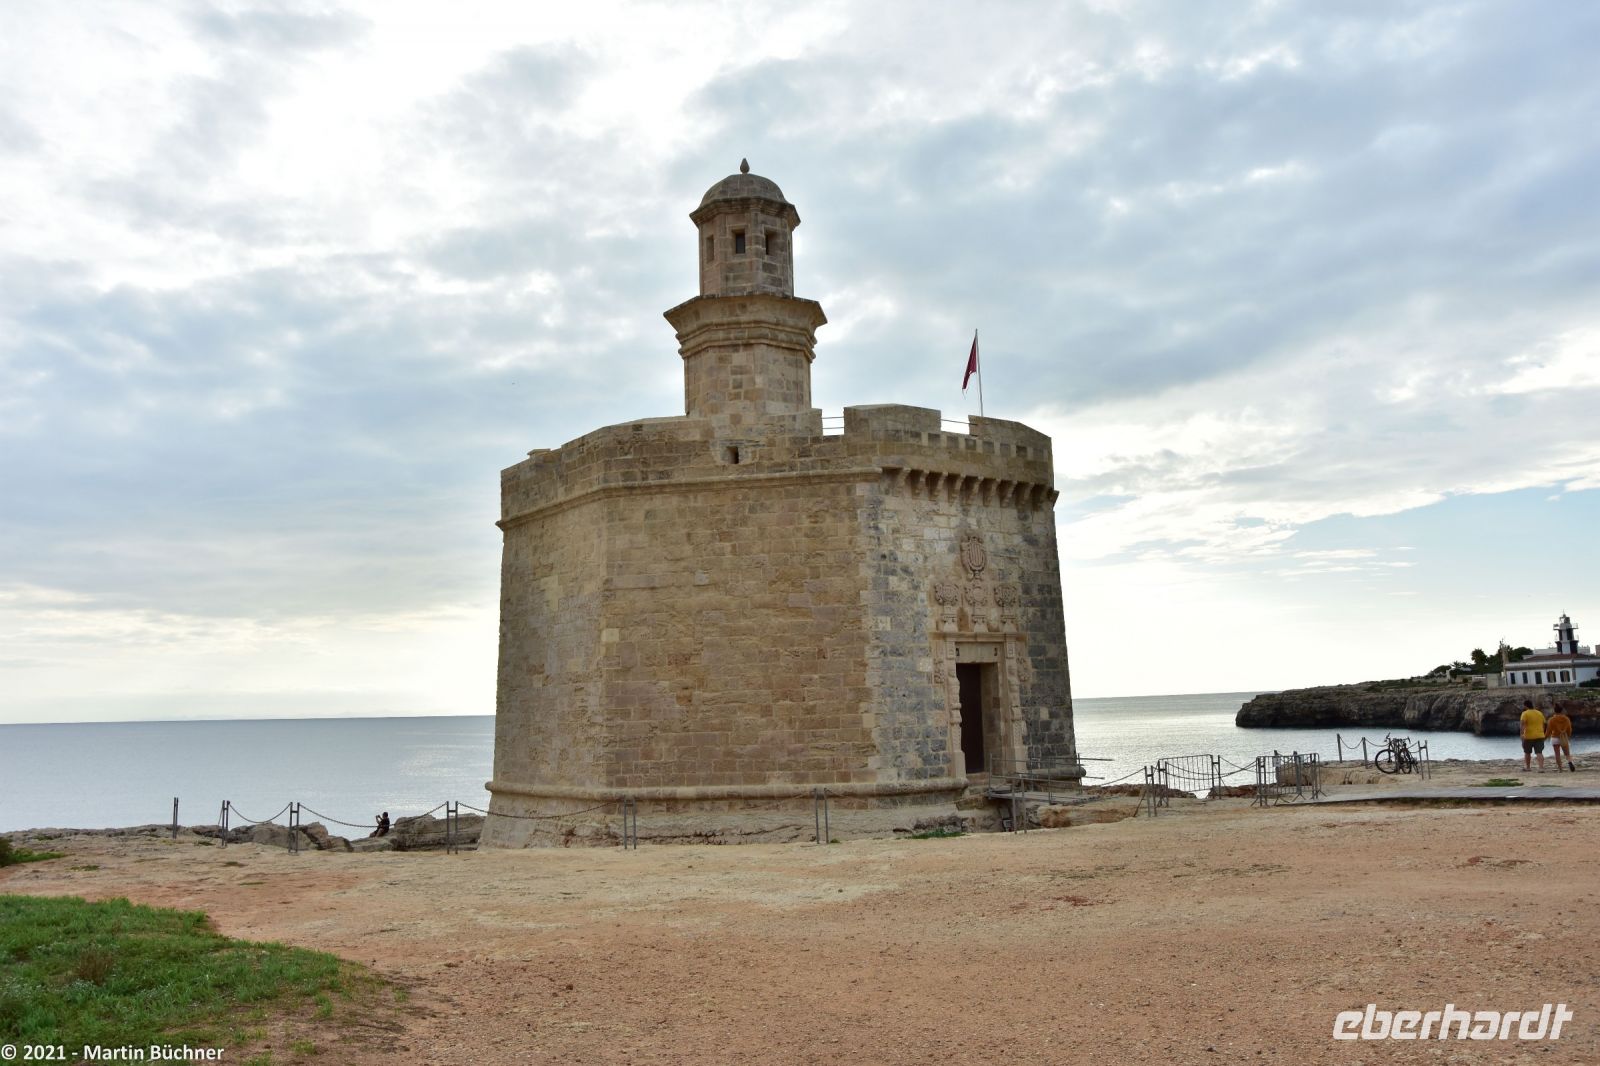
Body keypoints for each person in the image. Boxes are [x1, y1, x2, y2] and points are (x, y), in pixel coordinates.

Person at [1519, 699, 1546, 773]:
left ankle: (1528, 767)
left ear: (1525, 705)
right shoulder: (1539, 713)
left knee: (1527, 752)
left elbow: (1522, 724)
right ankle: (1541, 768)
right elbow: (1544, 724)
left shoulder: (1525, 713)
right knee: (1539, 752)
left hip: (1529, 736)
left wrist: (1521, 734)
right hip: (1540, 735)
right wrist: (1542, 732)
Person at [1546, 706, 1575, 772]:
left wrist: (1544, 738)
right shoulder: (1566, 719)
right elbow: (1569, 729)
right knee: (1567, 753)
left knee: (1557, 754)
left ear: (1554, 711)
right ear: (1562, 711)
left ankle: (1560, 769)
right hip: (1564, 737)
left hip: (1555, 738)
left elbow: (1548, 731)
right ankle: (1570, 762)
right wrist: (1568, 736)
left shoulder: (1551, 719)